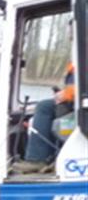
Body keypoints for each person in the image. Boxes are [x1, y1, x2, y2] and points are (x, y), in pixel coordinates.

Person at [23, 18, 75, 168]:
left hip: (81, 107)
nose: (70, 35)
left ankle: (37, 160)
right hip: (76, 103)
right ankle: (50, 158)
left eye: (72, 32)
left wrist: (67, 94)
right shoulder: (80, 54)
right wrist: (63, 94)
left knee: (44, 107)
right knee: (42, 108)